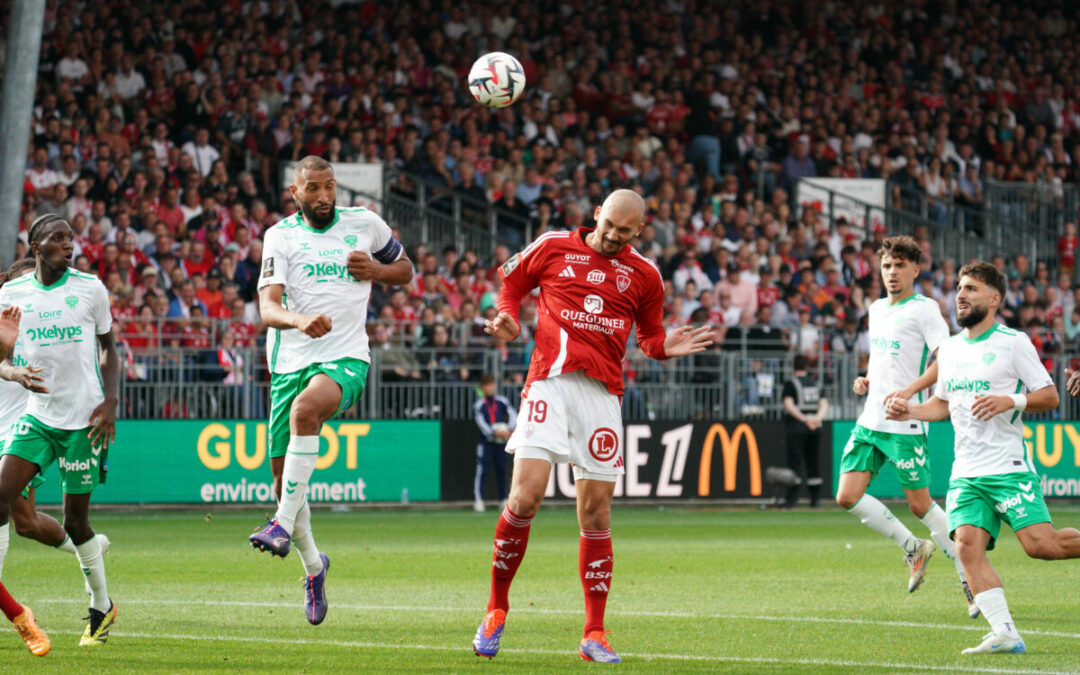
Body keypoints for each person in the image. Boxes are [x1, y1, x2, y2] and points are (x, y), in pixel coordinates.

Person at [472, 189, 712, 662]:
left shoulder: (645, 274)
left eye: (626, 231)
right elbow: (513, 284)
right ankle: (496, 609)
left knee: (596, 514)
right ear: (597, 214)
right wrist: (507, 317)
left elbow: (650, 337)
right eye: (609, 226)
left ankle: (594, 633)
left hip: (603, 396)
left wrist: (667, 348)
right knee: (524, 497)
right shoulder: (553, 244)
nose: (614, 236)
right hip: (550, 381)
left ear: (639, 230)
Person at [247, 157, 412, 626]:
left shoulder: (365, 223)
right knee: (284, 488)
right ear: (295, 193)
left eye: (329, 187)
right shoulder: (280, 236)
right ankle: (315, 568)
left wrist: (378, 272)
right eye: (313, 189)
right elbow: (267, 306)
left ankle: (278, 523)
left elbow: (406, 269)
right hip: (287, 363)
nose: (323, 197)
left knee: (307, 411)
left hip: (345, 357)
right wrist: (298, 320)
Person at [886, 262, 1080, 655]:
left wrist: (1012, 399)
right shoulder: (952, 350)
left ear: (994, 299)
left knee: (1041, 545)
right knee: (966, 547)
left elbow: (1050, 396)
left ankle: (1005, 631)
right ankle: (1006, 633)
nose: (960, 295)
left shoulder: (1013, 342)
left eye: (971, 289)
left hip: (1007, 468)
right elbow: (943, 404)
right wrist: (911, 411)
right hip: (966, 472)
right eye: (959, 288)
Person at [835, 236, 976, 617]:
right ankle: (914, 548)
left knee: (920, 505)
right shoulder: (876, 308)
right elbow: (885, 358)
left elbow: (945, 359)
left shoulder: (925, 309)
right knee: (846, 496)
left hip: (905, 421)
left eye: (900, 265)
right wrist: (866, 380)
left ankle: (970, 575)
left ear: (915, 269)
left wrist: (912, 392)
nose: (892, 272)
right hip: (871, 418)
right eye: (887, 266)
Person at [0, 214, 121, 647]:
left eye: (71, 238)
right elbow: (1, 358)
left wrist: (110, 401)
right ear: (35, 246)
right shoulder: (11, 293)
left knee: (76, 520)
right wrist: (12, 370)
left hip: (83, 421)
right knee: (1, 495)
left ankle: (101, 606)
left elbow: (110, 348)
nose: (68, 245)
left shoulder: (89, 288)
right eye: (57, 238)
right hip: (37, 416)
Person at [0, 260, 110, 588]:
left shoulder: (45, 333)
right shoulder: (8, 323)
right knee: (26, 524)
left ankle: (85, 546)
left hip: (15, 433)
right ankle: (86, 547)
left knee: (22, 521)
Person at [781, 355, 827, 508]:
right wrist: (816, 419)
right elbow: (824, 404)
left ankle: (792, 499)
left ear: (793, 367)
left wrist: (804, 419)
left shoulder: (790, 384)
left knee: (795, 463)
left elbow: (789, 405)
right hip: (815, 428)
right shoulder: (816, 383)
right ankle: (815, 500)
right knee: (813, 462)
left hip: (797, 427)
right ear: (807, 367)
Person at [472, 374, 516, 512]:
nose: (491, 388)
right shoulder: (479, 405)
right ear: (483, 388)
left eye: (492, 385)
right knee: (482, 471)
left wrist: (509, 429)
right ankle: (479, 500)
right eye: (488, 385)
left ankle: (503, 499)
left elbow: (513, 415)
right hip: (486, 443)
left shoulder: (502, 401)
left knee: (503, 470)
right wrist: (493, 432)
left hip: (502, 442)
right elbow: (481, 423)